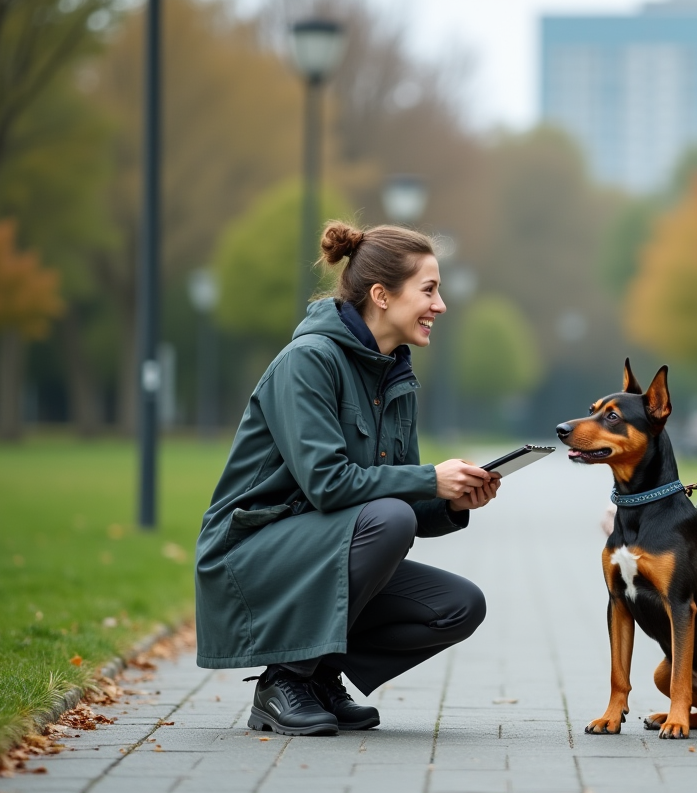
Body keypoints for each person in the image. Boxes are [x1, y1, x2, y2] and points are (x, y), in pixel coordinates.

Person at [194, 221, 501, 737]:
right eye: (429, 289)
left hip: (321, 550)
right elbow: (328, 485)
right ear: (381, 295)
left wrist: (455, 501)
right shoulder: (308, 361)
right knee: (389, 518)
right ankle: (284, 681)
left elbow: (403, 500)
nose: (440, 304)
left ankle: (317, 676)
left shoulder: (394, 375)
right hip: (249, 558)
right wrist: (428, 478)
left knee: (458, 606)